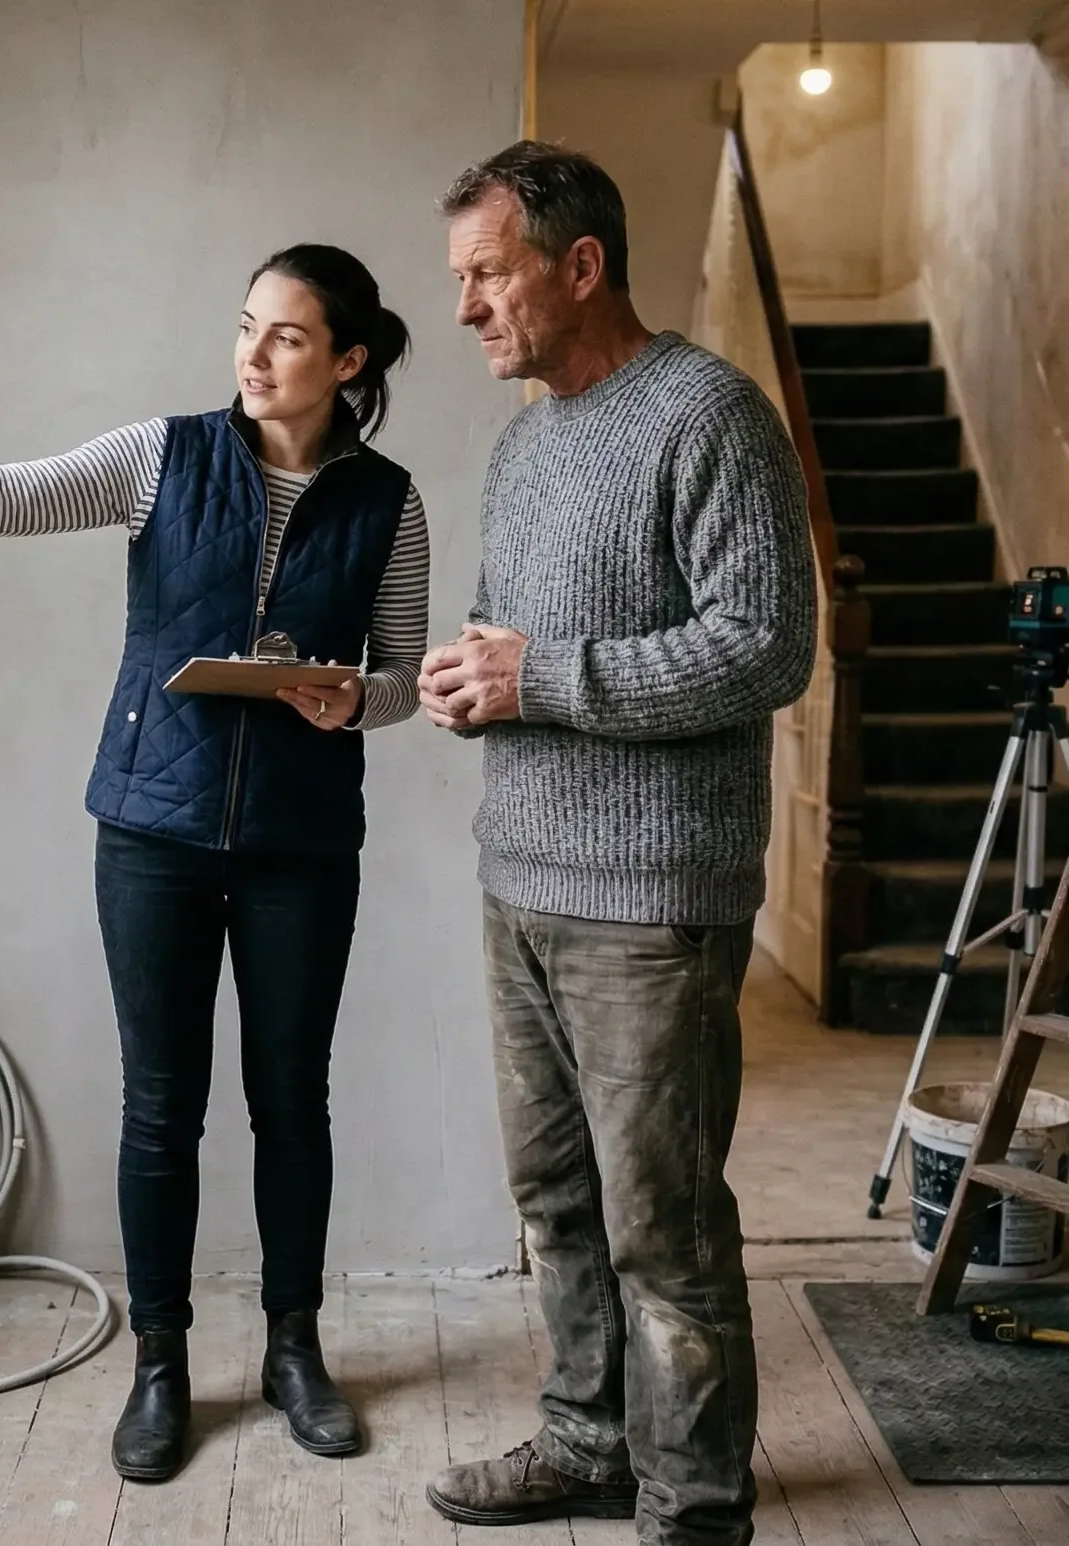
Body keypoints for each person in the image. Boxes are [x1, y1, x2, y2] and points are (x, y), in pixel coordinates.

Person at [0, 244, 428, 1483]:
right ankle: (161, 1364)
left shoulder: (389, 501)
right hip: (149, 833)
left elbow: (407, 676)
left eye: (288, 338)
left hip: (302, 847)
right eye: (245, 327)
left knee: (290, 1103)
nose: (253, 356)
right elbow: (9, 491)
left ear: (349, 360)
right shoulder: (165, 455)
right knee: (160, 1105)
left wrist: (347, 695)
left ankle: (294, 1349)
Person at [417, 144, 815, 1545]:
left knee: (663, 1222)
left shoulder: (710, 415)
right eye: (457, 278)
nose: (465, 308)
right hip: (516, 879)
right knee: (557, 1199)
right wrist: (474, 685)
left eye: (486, 275)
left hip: (651, 902)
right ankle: (590, 1438)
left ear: (577, 266)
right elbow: (514, 642)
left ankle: (696, 1498)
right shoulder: (525, 441)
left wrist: (540, 679)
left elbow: (763, 647)